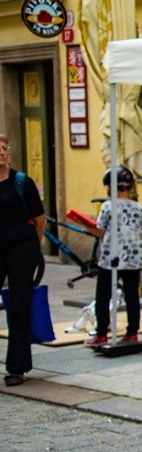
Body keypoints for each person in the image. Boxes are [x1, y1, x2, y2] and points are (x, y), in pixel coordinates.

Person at [84, 167, 142, 347]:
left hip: (110, 258)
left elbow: (100, 230)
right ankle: (132, 332)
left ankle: (102, 334)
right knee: (132, 296)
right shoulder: (139, 207)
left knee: (103, 296)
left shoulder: (107, 206)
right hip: (133, 259)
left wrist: (86, 226)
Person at [0, 134, 45, 386]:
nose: (2, 153)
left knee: (18, 304)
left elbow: (40, 219)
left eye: (5, 149)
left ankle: (16, 367)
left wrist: (33, 248)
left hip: (21, 247)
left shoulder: (22, 182)